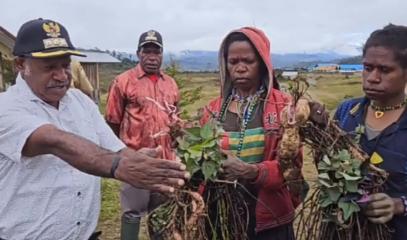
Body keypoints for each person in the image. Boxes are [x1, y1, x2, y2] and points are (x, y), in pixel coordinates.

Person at [0, 19, 188, 240]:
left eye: (65, 65)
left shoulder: (80, 102)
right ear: (21, 65)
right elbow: (54, 140)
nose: (61, 76)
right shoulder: (6, 107)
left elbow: (115, 148)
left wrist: (137, 159)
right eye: (49, 67)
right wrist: (120, 166)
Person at [200, 27, 303, 240]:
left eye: (248, 61)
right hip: (223, 215)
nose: (240, 68)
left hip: (269, 218)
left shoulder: (282, 106)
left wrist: (252, 171)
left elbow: (292, 166)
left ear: (263, 63)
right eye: (233, 62)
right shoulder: (212, 110)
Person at [334, 24, 407, 240]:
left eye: (384, 70)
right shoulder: (346, 112)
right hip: (344, 231)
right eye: (367, 68)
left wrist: (399, 204)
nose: (372, 77)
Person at [105, 30, 180, 240]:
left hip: (164, 161)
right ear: (138, 53)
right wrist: (121, 156)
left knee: (162, 214)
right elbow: (112, 120)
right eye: (146, 51)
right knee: (132, 212)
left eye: (156, 51)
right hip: (135, 159)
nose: (152, 56)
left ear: (162, 54)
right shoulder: (123, 82)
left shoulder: (171, 84)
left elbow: (175, 118)